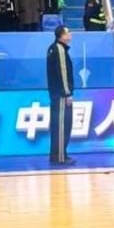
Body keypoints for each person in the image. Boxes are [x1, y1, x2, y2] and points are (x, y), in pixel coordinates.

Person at [47, 25, 75, 166]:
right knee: (62, 125)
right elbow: (62, 72)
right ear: (61, 35)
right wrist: (67, 93)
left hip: (56, 94)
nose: (70, 35)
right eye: (68, 32)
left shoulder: (55, 48)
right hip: (61, 95)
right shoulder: (59, 49)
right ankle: (60, 155)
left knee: (58, 125)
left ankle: (56, 154)